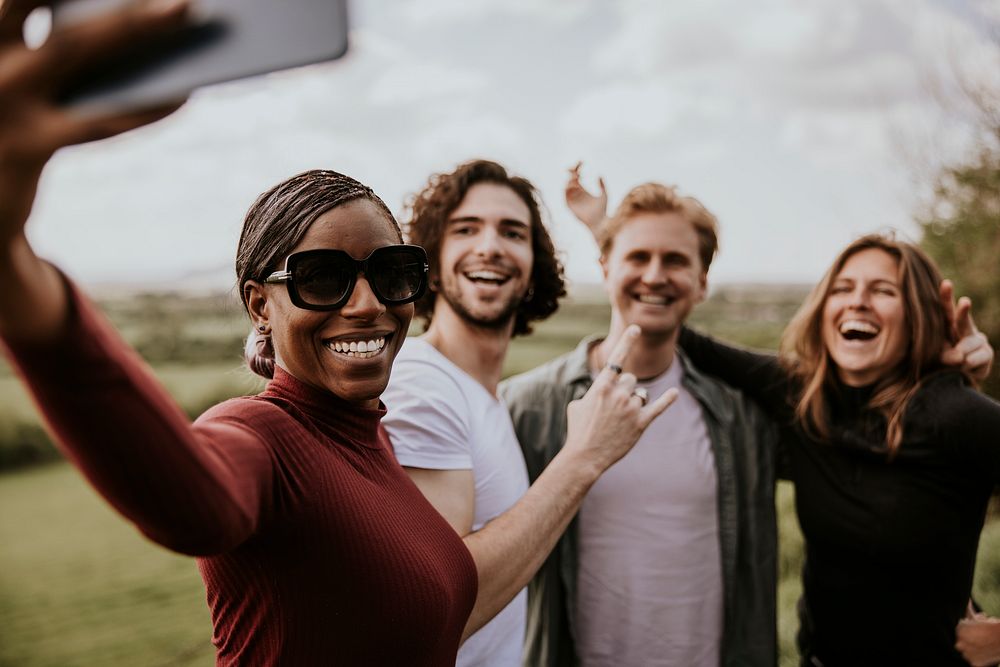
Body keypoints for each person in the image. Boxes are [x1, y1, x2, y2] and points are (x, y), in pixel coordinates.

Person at [0, 5, 676, 665]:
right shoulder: (265, 440)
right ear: (258, 303)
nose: (366, 305)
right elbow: (185, 501)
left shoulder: (374, 438)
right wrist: (15, 272)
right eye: (322, 278)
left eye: (392, 272)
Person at [676, 234, 999, 666]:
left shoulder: (956, 414)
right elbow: (685, 339)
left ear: (917, 317)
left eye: (884, 290)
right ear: (823, 309)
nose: (858, 301)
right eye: (842, 289)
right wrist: (608, 237)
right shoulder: (801, 392)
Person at [500, 179, 781, 666]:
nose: (655, 275)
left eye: (675, 261)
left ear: (702, 282)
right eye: (637, 258)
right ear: (605, 267)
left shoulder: (742, 418)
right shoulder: (525, 405)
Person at [381, 159, 569, 666]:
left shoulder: (484, 396)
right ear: (432, 262)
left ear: (534, 267)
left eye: (512, 232)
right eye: (466, 229)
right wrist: (585, 460)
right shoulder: (421, 382)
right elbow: (441, 612)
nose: (490, 246)